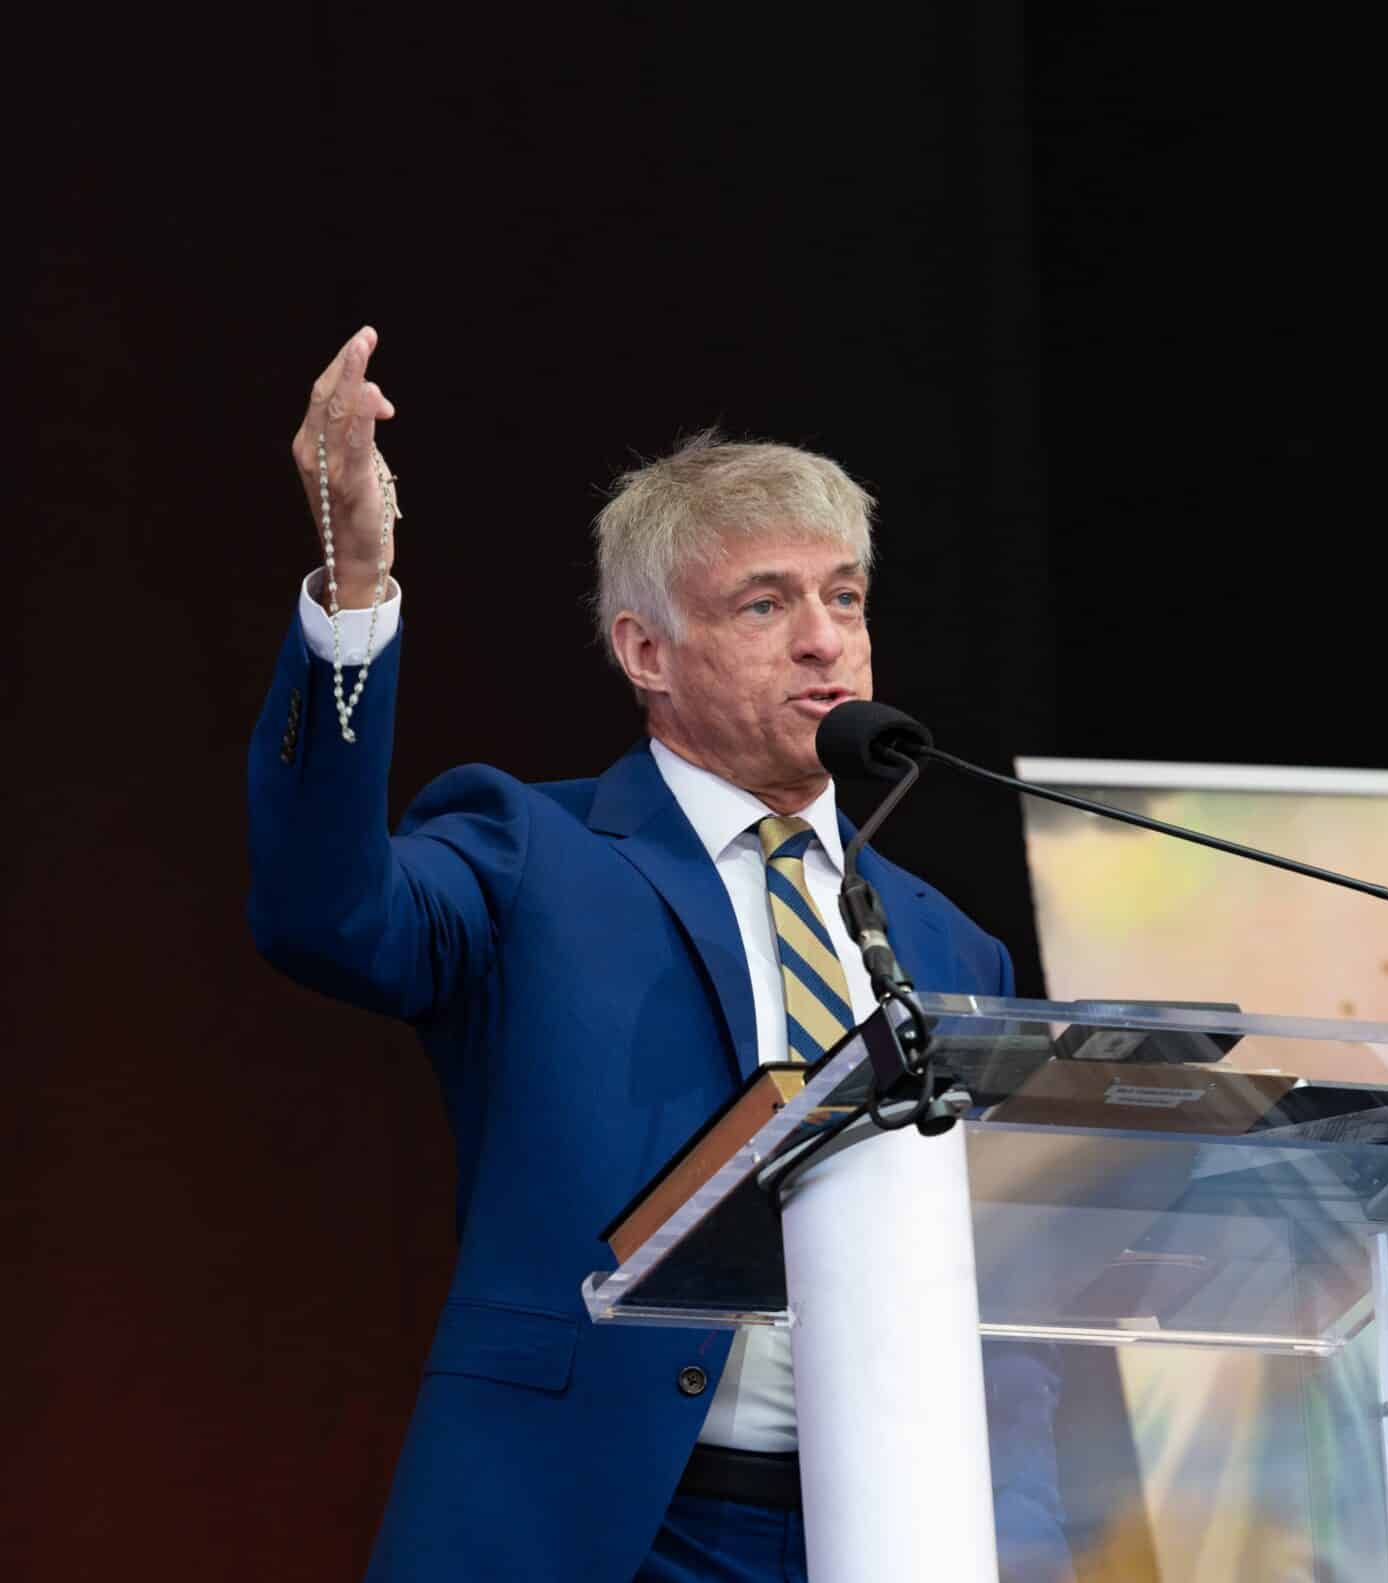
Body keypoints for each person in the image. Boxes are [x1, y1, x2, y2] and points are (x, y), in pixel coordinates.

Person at [249, 327, 1065, 1582]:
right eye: (764, 602)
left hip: (901, 1517)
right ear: (645, 653)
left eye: (842, 596)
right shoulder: (533, 849)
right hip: (612, 1517)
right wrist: (355, 589)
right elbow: (327, 913)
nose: (822, 640)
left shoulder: (949, 939)